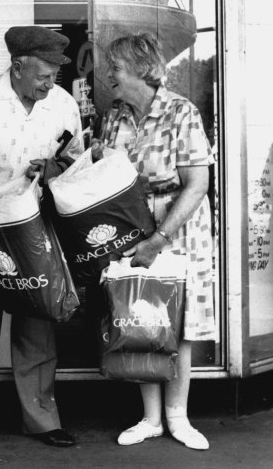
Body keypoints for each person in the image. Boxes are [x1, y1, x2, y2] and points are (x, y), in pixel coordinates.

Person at [0, 25, 84, 452]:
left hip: (37, 223)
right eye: (43, 75)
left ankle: (42, 419)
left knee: (37, 321)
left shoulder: (62, 104)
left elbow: (78, 164)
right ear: (18, 67)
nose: (49, 83)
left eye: (54, 76)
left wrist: (56, 170)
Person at [90, 32, 216, 450]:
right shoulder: (116, 116)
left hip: (176, 226)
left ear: (143, 70)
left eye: (116, 68)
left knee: (177, 323)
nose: (109, 75)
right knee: (140, 316)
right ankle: (150, 419)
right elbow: (106, 172)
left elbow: (198, 183)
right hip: (133, 224)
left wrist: (159, 238)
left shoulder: (182, 112)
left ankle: (178, 418)